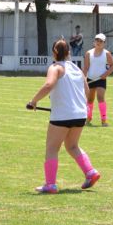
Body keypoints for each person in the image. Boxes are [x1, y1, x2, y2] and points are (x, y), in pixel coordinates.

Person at [26, 39, 101, 194]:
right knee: (72, 146)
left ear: (54, 52)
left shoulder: (55, 68)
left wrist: (34, 101)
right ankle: (91, 172)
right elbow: (86, 92)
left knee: (52, 148)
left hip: (62, 116)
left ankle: (50, 184)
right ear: (69, 52)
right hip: (80, 114)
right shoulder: (77, 69)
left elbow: (48, 85)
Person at [83, 33, 113, 126]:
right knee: (90, 100)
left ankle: (104, 120)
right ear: (94, 42)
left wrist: (106, 74)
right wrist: (83, 79)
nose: (98, 42)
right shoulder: (88, 53)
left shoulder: (107, 53)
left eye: (101, 41)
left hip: (101, 79)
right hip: (90, 79)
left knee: (100, 97)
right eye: (97, 40)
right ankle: (88, 118)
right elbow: (86, 68)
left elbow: (112, 66)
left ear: (104, 43)